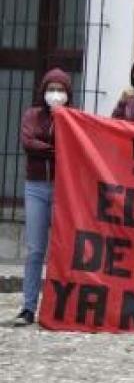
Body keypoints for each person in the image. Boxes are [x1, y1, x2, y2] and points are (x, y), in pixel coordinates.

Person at [14, 68, 72, 326]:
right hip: (36, 186)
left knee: (63, 250)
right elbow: (28, 142)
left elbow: (74, 145)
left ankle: (62, 308)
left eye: (61, 90)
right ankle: (28, 307)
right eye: (52, 89)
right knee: (35, 249)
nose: (56, 94)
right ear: (44, 91)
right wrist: (54, 149)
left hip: (64, 188)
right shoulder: (32, 115)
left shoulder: (72, 118)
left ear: (68, 94)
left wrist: (51, 147)